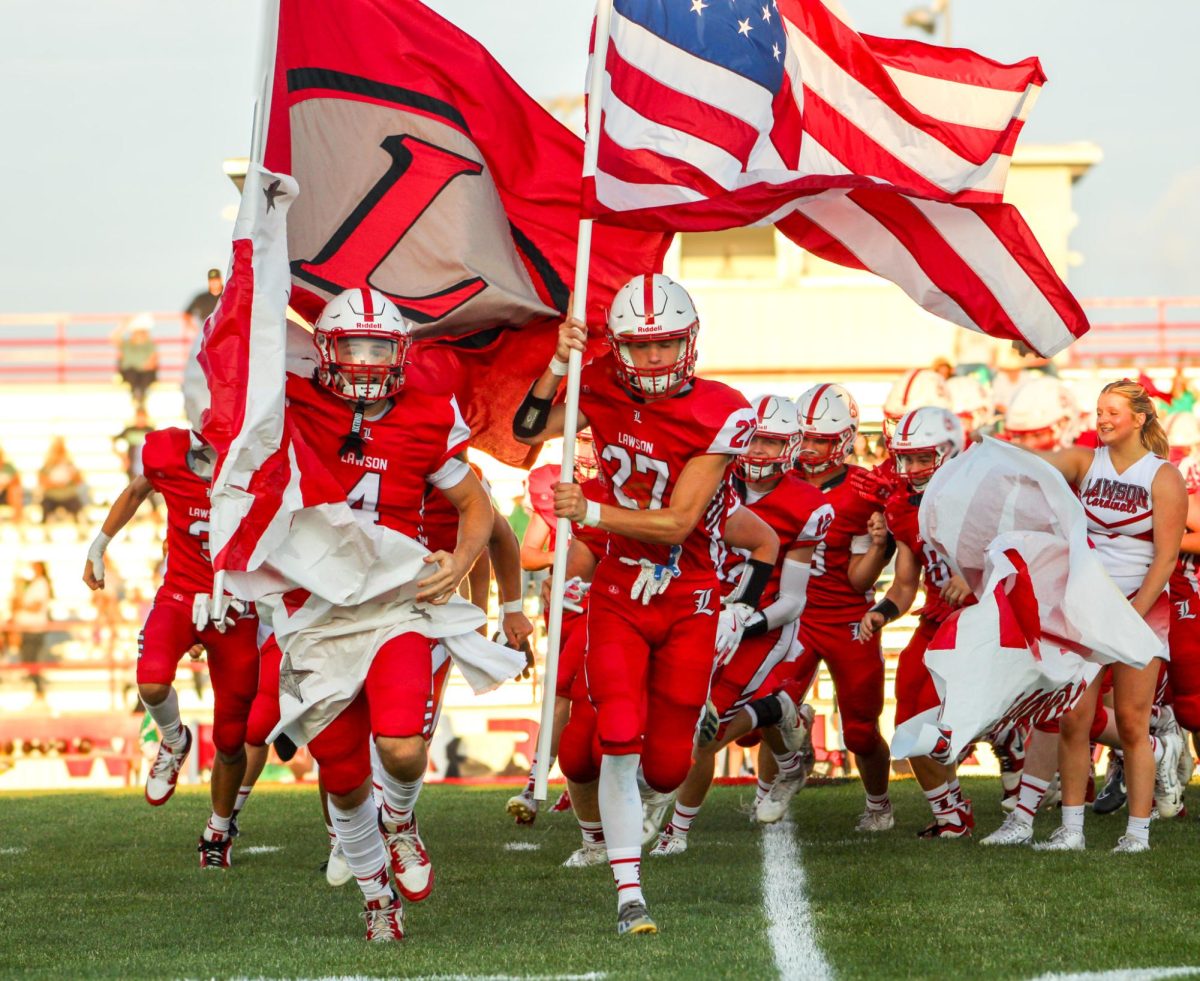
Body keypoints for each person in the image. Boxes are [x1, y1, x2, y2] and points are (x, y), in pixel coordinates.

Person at [513, 273, 762, 936]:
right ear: (618, 345)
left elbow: (680, 521)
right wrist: (555, 364)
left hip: (689, 593)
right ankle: (629, 893)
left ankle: (648, 806)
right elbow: (525, 428)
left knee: (666, 765)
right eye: (639, 346)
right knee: (616, 733)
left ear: (691, 341)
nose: (652, 358)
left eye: (667, 344)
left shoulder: (724, 408)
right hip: (621, 588)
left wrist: (590, 507)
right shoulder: (595, 379)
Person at [270, 287, 495, 942]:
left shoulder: (427, 412)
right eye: (353, 346)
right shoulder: (296, 400)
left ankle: (400, 820)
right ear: (325, 351)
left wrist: (459, 559)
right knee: (340, 775)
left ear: (400, 353)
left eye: (378, 347)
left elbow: (475, 505)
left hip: (393, 599)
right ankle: (376, 896)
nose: (366, 362)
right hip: (312, 609)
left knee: (399, 746)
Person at [649, 394, 831, 855]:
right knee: (673, 717)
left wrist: (741, 624)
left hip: (762, 626)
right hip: (703, 615)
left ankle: (678, 830)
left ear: (791, 446)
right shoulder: (711, 479)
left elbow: (792, 599)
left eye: (771, 441)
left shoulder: (808, 505)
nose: (758, 450)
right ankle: (784, 723)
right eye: (754, 438)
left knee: (705, 729)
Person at [1015, 380, 1186, 853]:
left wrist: (1130, 613)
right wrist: (988, 457)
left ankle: (1137, 834)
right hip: (1086, 608)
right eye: (1098, 411)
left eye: (1113, 411)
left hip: (1139, 611)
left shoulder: (1163, 476)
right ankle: (1071, 829)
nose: (1103, 419)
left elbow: (1166, 558)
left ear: (1139, 418)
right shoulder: (1085, 461)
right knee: (1074, 718)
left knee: (1132, 724)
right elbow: (1033, 466)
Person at [83, 425, 260, 869]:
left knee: (231, 738)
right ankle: (173, 740)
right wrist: (98, 546)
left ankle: (217, 832)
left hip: (236, 608)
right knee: (152, 681)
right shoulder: (170, 453)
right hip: (180, 594)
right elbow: (138, 488)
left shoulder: (265, 464)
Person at [782, 383, 896, 830]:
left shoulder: (865, 490)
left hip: (846, 616)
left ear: (845, 440)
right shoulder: (775, 476)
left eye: (820, 440)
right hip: (790, 615)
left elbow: (859, 579)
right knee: (765, 711)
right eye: (803, 437)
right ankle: (784, 766)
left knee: (861, 732)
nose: (808, 448)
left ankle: (878, 804)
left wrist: (880, 545)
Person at [860, 407, 975, 839]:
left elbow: (1024, 550)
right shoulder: (903, 507)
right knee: (907, 714)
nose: (910, 469)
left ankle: (1015, 762)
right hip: (938, 620)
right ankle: (951, 817)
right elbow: (906, 585)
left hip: (988, 616)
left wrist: (976, 574)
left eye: (922, 458)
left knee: (945, 721)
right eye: (904, 459)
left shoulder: (981, 494)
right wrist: (881, 612)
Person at [12, 562, 53, 700]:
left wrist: (21, 605)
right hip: (27, 628)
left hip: (34, 629)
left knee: (32, 661)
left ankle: (40, 689)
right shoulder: (33, 584)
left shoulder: (41, 584)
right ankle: (39, 688)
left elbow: (36, 606)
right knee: (29, 660)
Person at [37, 437, 87, 529]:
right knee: (45, 506)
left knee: (77, 507)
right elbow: (42, 481)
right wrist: (56, 484)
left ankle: (81, 529)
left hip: (68, 495)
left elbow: (79, 480)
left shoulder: (69, 463)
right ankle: (45, 530)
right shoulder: (47, 465)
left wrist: (72, 475)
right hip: (51, 495)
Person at [112, 314, 159, 411]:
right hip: (131, 373)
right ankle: (138, 396)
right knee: (132, 375)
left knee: (144, 377)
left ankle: (139, 396)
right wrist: (124, 325)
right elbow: (114, 338)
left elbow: (152, 362)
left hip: (144, 373)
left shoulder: (149, 345)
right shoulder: (126, 344)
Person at [113, 408, 155, 481]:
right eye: (139, 417)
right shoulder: (129, 430)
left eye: (142, 417)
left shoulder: (150, 430)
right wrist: (123, 457)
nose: (140, 420)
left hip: (145, 466)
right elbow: (114, 441)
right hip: (132, 466)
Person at [184, 268, 224, 333]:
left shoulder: (228, 295)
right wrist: (195, 329)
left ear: (220, 280)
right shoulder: (201, 298)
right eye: (212, 280)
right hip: (206, 332)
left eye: (216, 280)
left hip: (224, 331)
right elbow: (187, 313)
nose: (214, 283)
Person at [0, 444, 23, 524]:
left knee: (15, 491)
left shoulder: (9, 467)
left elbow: (17, 480)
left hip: (6, 493)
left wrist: (5, 485)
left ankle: (17, 521)